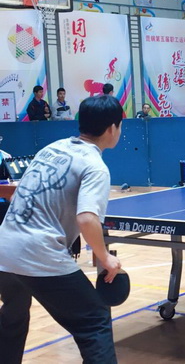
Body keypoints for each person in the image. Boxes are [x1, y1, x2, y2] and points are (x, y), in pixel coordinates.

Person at [0, 95, 124, 364]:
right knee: (95, 320)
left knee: (14, 313)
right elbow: (87, 219)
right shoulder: (95, 166)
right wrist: (105, 257)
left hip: (4, 248)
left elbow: (19, 192)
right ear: (112, 128)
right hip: (39, 252)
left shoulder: (51, 148)